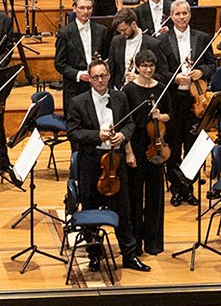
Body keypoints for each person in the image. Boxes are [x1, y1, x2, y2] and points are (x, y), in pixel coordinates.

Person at [65, 60, 145, 272]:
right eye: (96, 77)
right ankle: (94, 255)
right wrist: (96, 136)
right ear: (89, 79)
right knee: (90, 209)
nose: (100, 80)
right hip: (91, 164)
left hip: (115, 162)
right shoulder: (78, 102)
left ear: (109, 76)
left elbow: (130, 124)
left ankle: (129, 255)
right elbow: (72, 132)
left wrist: (123, 135)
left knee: (123, 210)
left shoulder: (120, 97)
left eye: (103, 76)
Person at [120, 50, 170, 258]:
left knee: (155, 193)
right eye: (144, 66)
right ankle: (135, 242)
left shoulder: (161, 89)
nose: (148, 69)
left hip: (156, 145)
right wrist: (129, 152)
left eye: (151, 66)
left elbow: (170, 115)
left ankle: (153, 241)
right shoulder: (128, 90)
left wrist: (161, 116)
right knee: (134, 194)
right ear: (137, 67)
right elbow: (125, 123)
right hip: (137, 146)